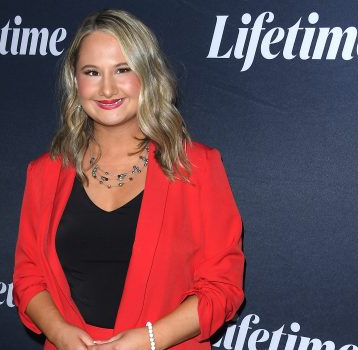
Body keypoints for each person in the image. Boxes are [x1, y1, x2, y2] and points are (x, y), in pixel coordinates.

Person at [13, 9, 244, 350]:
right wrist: (60, 332)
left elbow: (222, 288)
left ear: (147, 76)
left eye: (122, 70)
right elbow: (28, 276)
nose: (107, 88)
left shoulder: (195, 167)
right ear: (75, 82)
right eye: (92, 72)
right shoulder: (45, 173)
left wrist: (150, 339)